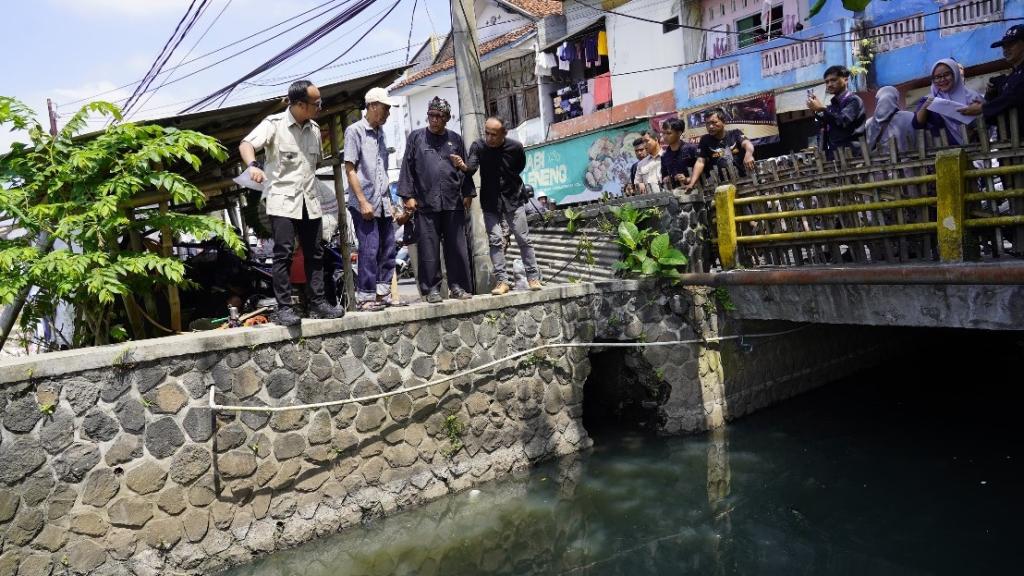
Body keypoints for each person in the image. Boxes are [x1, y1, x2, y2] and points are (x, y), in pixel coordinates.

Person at [239, 79, 344, 326]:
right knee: (284, 253)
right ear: (299, 104)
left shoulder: (315, 129)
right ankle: (284, 308)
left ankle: (318, 303)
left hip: (310, 200)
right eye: (315, 103)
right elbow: (246, 144)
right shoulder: (274, 125)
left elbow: (312, 165)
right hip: (282, 201)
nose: (319, 106)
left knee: (315, 253)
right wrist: (253, 166)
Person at [451, 116, 542, 295]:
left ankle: (533, 277)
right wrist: (462, 166)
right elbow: (471, 168)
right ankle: (502, 281)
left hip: (513, 199)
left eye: (494, 134)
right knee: (495, 240)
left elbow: (519, 166)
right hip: (490, 201)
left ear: (503, 134)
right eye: (487, 133)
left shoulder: (515, 147)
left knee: (523, 239)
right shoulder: (478, 146)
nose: (490, 138)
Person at [397, 96, 475, 304]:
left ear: (447, 118)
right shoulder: (416, 138)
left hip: (453, 201)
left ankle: (458, 287)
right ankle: (431, 289)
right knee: (429, 250)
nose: (434, 119)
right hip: (426, 203)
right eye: (431, 115)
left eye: (439, 116)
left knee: (457, 248)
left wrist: (468, 192)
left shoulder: (455, 139)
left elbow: (464, 167)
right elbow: (408, 167)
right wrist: (408, 196)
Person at [344, 87, 398, 312]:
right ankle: (365, 298)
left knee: (388, 247)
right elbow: (350, 168)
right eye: (385, 108)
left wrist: (391, 203)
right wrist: (363, 200)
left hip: (383, 200)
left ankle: (381, 294)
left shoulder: (381, 133)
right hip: (364, 201)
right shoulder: (354, 131)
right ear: (373, 106)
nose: (387, 113)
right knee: (369, 248)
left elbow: (381, 171)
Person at [960, 25, 1024, 134]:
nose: (1006, 49)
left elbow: (1014, 96)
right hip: (1010, 143)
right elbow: (999, 113)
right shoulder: (1011, 77)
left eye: (1011, 44)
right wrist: (991, 95)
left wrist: (982, 108)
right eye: (1003, 46)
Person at [912, 58, 984, 146]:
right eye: (937, 77)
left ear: (955, 74)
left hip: (975, 150)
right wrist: (927, 105)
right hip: (943, 151)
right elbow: (917, 125)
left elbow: (987, 122)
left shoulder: (973, 97)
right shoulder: (928, 99)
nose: (942, 79)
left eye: (946, 75)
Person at [685, 109, 755, 190]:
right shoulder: (705, 140)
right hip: (722, 185)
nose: (710, 126)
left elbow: (747, 144)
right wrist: (692, 183)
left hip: (744, 181)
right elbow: (700, 161)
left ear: (724, 122)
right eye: (707, 123)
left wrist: (749, 155)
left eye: (714, 122)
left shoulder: (735, 133)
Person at [807, 65, 866, 157]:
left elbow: (842, 121)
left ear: (845, 80)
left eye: (833, 80)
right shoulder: (832, 106)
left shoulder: (853, 100)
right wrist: (818, 111)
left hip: (853, 155)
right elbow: (824, 129)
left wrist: (821, 109)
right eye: (827, 82)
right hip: (835, 155)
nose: (829, 84)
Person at [865, 86, 916, 156]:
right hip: (909, 164)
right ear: (896, 99)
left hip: (880, 165)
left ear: (877, 101)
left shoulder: (869, 124)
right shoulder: (910, 116)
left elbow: (867, 149)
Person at [660, 117, 699, 190]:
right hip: (676, 195)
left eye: (668, 133)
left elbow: (706, 171)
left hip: (697, 191)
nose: (665, 136)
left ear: (679, 133)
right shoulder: (665, 156)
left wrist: (688, 179)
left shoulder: (692, 149)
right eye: (663, 133)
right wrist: (666, 179)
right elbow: (664, 176)